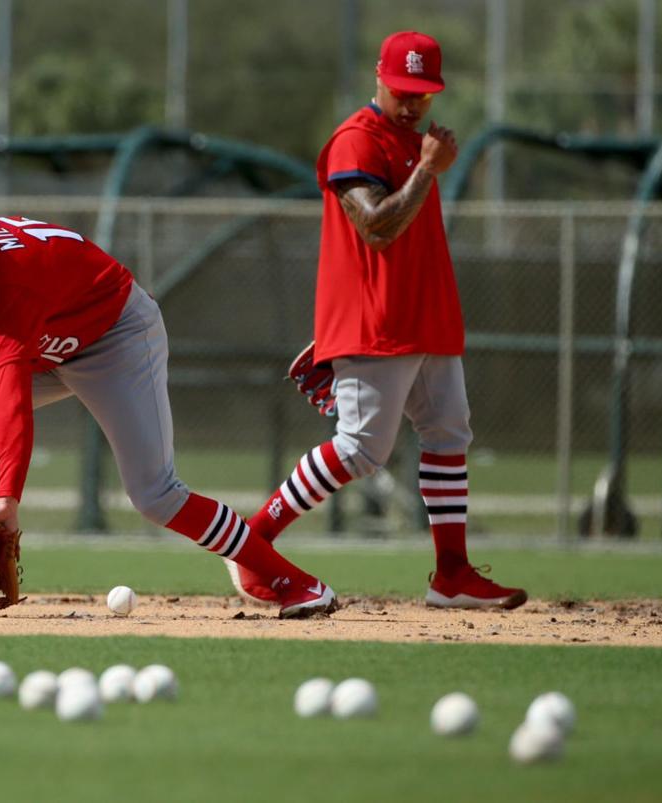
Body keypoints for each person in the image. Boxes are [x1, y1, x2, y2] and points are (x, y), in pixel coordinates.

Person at [0, 179, 336, 618]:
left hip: (115, 335)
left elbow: (10, 396)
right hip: (47, 335)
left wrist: (7, 499)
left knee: (156, 495)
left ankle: (292, 582)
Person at [227, 30, 527, 609]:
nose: (411, 102)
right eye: (401, 89)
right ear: (379, 79)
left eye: (422, 92)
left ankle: (452, 573)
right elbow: (377, 228)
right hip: (376, 320)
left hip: (428, 316)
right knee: (361, 449)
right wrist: (428, 171)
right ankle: (254, 543)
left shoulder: (415, 142)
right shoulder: (355, 141)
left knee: (448, 434)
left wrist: (425, 164)